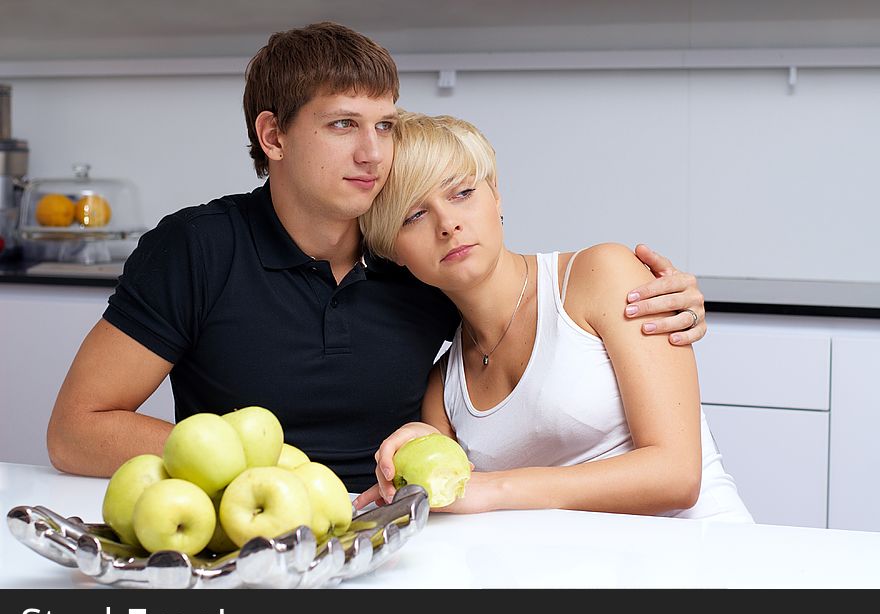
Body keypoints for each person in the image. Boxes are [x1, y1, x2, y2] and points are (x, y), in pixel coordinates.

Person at [47, 22, 710, 495]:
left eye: (384, 125)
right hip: (246, 534)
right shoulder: (197, 248)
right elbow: (75, 431)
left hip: (392, 531)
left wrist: (671, 295)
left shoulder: (413, 254)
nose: (373, 152)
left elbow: (524, 294)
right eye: (343, 125)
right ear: (273, 136)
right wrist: (250, 464)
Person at [354, 111, 752, 522]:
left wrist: (496, 487)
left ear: (496, 196)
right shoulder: (444, 388)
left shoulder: (601, 275)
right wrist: (422, 448)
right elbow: (459, 498)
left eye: (462, 193)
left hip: (711, 558)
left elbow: (676, 476)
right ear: (393, 250)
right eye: (414, 215)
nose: (448, 224)